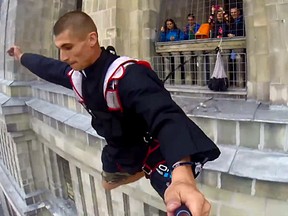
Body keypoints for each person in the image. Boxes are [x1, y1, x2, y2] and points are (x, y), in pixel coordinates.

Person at [7, 11, 220, 216]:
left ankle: (156, 169)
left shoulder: (128, 75)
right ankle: (141, 169)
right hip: (120, 147)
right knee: (107, 183)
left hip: (154, 147)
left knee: (181, 203)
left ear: (92, 39)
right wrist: (21, 56)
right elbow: (48, 67)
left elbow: (165, 115)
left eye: (68, 47)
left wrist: (182, 174)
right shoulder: (78, 76)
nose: (63, 56)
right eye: (60, 49)